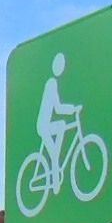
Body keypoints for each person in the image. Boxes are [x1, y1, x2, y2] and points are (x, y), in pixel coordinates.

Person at [36, 51, 78, 180]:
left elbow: (58, 108)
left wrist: (72, 109)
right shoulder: (51, 83)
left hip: (47, 124)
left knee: (62, 125)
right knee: (54, 154)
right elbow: (58, 108)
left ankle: (56, 157)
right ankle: (54, 176)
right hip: (43, 125)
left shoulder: (53, 83)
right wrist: (73, 109)